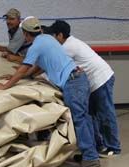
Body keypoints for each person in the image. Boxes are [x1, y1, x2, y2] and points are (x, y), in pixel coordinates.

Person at [0, 17, 100, 167]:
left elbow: (24, 67)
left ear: (26, 34)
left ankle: (90, 158)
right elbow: (41, 65)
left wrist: (6, 86)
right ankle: (90, 153)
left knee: (79, 119)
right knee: (84, 118)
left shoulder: (36, 45)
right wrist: (25, 76)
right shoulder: (47, 39)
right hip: (79, 78)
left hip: (73, 82)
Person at [47, 20, 121, 157]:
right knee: (91, 115)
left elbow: (54, 65)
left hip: (101, 79)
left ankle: (114, 147)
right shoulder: (71, 42)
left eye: (53, 36)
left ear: (60, 35)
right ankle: (98, 145)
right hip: (92, 83)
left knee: (105, 114)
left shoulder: (68, 47)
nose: (52, 40)